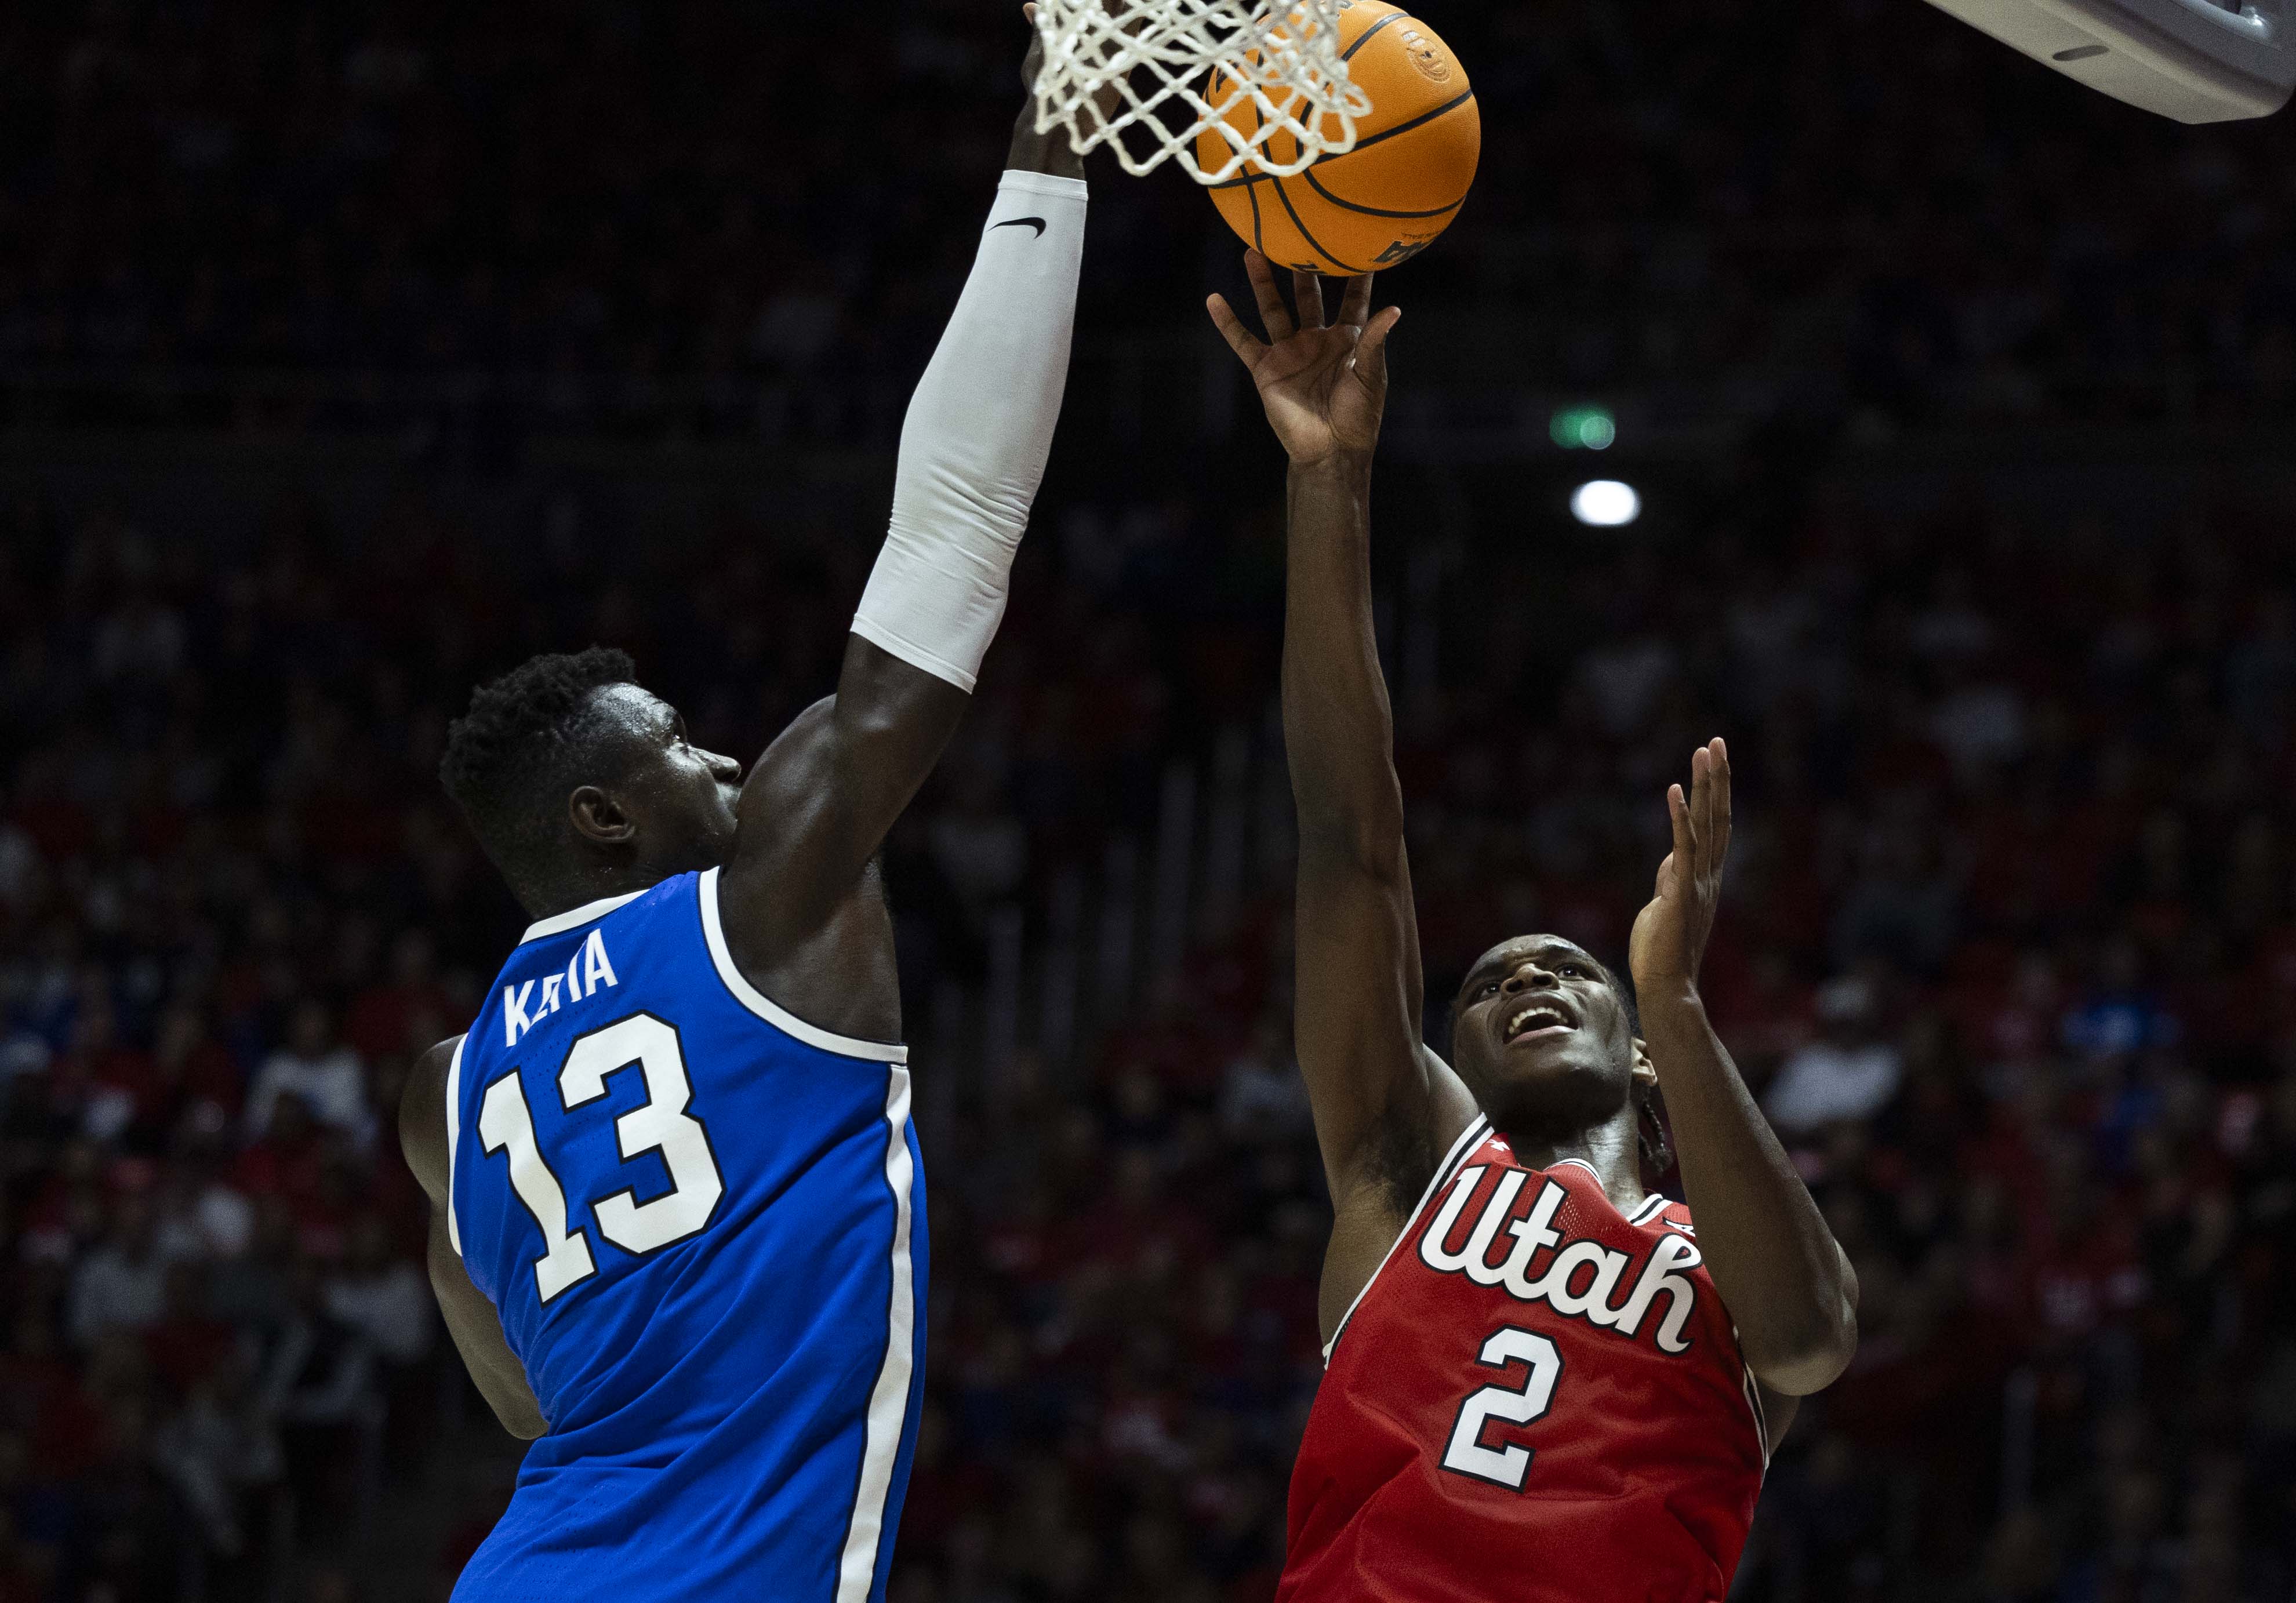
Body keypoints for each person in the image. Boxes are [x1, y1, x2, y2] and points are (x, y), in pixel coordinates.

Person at [398, 17, 1095, 1600]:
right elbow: (961, 521)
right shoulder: (766, 903)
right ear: (602, 818)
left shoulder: (437, 1094)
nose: (722, 761)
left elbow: (528, 1398)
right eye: (682, 747)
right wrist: (1060, 131)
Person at [1205, 252, 1861, 1602]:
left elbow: (1806, 1345)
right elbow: (1350, 832)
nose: (1526, 979)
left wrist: (1675, 1000)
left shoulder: (1721, 1255)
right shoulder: (1408, 1174)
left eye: (1568, 969)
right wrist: (1328, 481)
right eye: (1490, 984)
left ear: (1640, 1056)